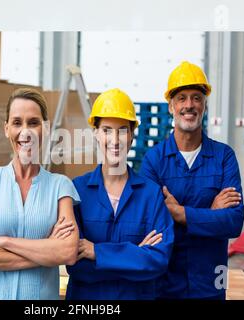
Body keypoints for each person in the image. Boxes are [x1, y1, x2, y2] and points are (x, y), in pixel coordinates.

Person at [140, 61, 244, 300]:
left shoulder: (223, 156)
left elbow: (233, 222)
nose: (189, 105)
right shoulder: (154, 160)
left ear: (205, 105)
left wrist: (178, 213)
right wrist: (210, 212)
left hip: (211, 281)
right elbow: (150, 225)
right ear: (171, 106)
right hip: (165, 282)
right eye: (182, 98)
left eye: (197, 98)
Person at [0, 88, 80, 300]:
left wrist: (4, 241)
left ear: (45, 128)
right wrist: (46, 252)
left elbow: (67, 252)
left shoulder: (60, 187)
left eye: (33, 123)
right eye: (17, 123)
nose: (25, 132)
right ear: (6, 128)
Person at [65, 88, 174, 300]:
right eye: (106, 130)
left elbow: (159, 260)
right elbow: (74, 264)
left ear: (132, 135)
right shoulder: (76, 191)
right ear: (95, 133)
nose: (115, 139)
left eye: (122, 130)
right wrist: (135, 256)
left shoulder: (151, 195)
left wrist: (97, 252)